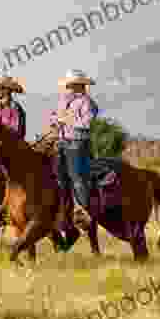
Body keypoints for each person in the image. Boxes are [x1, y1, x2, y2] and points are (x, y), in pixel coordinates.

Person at [48, 69, 99, 249]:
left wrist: (66, 122)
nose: (68, 87)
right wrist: (55, 121)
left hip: (78, 143)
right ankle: (60, 211)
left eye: (71, 84)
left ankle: (82, 212)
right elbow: (53, 116)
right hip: (61, 142)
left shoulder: (87, 102)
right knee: (58, 179)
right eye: (68, 84)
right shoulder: (63, 101)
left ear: (79, 86)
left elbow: (87, 124)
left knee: (77, 178)